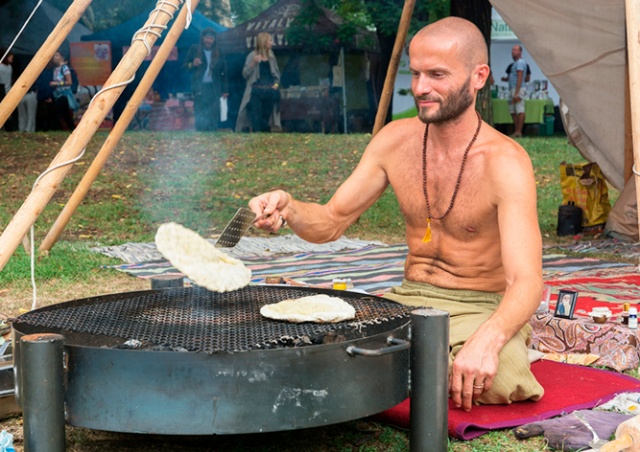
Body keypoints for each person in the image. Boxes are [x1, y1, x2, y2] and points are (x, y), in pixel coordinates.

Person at [248, 17, 544, 412]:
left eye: (437, 75)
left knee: (502, 381)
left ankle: (404, 369)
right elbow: (332, 221)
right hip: (406, 301)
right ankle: (417, 367)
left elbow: (526, 281)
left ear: (479, 76)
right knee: (317, 347)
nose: (420, 88)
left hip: (480, 307)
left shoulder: (506, 162)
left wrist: (489, 339)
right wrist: (290, 208)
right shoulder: (393, 140)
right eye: (416, 73)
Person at [235, 32, 281, 133]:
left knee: (266, 116)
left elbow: (276, 74)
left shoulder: (271, 56)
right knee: (256, 116)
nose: (272, 43)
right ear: (263, 42)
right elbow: (245, 74)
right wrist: (253, 63)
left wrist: (276, 85)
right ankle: (256, 134)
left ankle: (264, 137)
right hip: (256, 91)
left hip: (269, 91)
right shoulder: (252, 56)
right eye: (270, 40)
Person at [185, 28, 229, 131]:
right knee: (200, 110)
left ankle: (212, 132)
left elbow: (224, 72)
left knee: (213, 111)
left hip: (214, 87)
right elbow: (184, 66)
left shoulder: (219, 52)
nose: (209, 41)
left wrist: (225, 89)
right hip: (200, 86)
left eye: (211, 38)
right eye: (207, 38)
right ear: (203, 38)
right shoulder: (194, 49)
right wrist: (192, 64)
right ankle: (200, 132)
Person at [501, 44, 527, 137]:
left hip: (518, 89)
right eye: (512, 50)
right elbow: (515, 77)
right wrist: (506, 79)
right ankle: (516, 130)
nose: (513, 51)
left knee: (520, 109)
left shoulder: (520, 62)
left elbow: (520, 78)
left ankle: (519, 131)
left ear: (520, 52)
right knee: (512, 110)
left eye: (515, 50)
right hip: (513, 88)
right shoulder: (515, 64)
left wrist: (517, 92)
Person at [49, 51, 78, 130]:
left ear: (61, 57)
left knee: (61, 114)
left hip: (63, 95)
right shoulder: (55, 69)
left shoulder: (64, 68)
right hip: (57, 94)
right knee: (64, 115)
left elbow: (69, 82)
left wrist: (57, 83)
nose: (54, 58)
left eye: (57, 55)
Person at [0, 48, 18, 131]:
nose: (12, 59)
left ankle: (8, 128)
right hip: (2, 91)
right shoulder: (1, 67)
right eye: (10, 57)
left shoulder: (9, 67)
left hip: (8, 90)